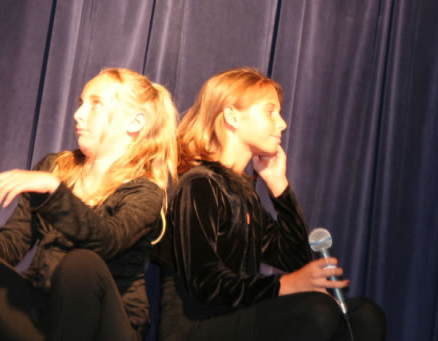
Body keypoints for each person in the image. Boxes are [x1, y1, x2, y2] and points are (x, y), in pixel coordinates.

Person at [0, 68, 178, 341]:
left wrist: (53, 191)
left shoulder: (145, 192)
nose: (78, 114)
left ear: (135, 122)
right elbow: (11, 247)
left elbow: (107, 240)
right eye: (81, 103)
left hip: (105, 327)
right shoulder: (54, 168)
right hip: (45, 312)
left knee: (81, 264)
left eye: (96, 104)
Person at [151, 67, 385, 341]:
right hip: (195, 327)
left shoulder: (244, 195)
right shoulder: (199, 184)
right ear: (232, 117)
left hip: (240, 317)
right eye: (270, 112)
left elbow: (295, 260)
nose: (282, 124)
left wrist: (279, 187)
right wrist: (285, 285)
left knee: (365, 316)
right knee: (317, 311)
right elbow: (205, 282)